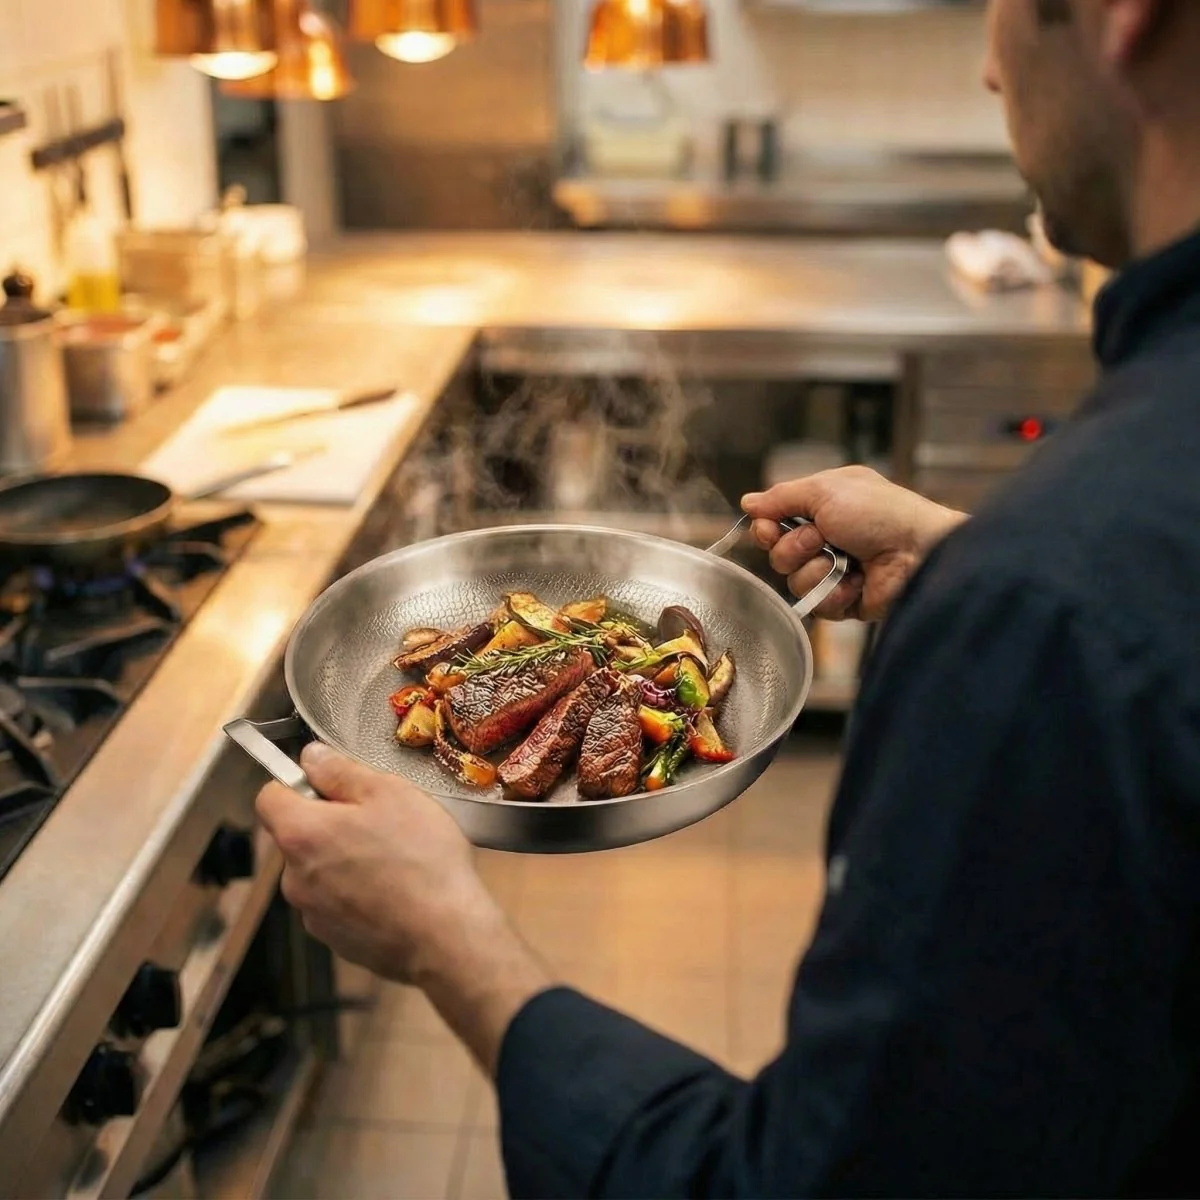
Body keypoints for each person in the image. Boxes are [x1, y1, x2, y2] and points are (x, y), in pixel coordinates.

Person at [256, 0, 1200, 1194]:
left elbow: (802, 1184)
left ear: (1125, 17)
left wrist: (450, 943)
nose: (986, 65)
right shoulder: (1076, 566)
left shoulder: (1053, 603)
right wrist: (972, 560)